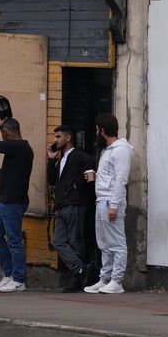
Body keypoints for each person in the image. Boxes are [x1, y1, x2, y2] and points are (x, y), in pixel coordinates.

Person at [83, 113, 133, 294]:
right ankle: (105, 278)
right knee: (103, 242)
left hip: (110, 202)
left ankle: (117, 281)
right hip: (102, 200)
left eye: (97, 129)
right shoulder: (108, 149)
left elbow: (121, 180)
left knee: (117, 243)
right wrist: (97, 177)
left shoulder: (120, 150)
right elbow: (112, 177)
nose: (96, 132)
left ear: (102, 130)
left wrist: (114, 205)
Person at [0, 117, 34, 293]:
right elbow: (16, 174)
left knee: (13, 241)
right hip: (4, 201)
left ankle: (18, 280)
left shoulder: (18, 146)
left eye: (2, 132)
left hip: (13, 202)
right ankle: (9, 275)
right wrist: (0, 172)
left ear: (5, 132)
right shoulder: (19, 149)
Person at [47, 125, 96, 292]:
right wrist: (51, 160)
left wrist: (76, 185)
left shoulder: (80, 156)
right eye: (55, 137)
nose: (55, 140)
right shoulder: (61, 159)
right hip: (62, 205)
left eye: (58, 136)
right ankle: (82, 269)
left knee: (76, 242)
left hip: (75, 204)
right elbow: (52, 181)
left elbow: (91, 170)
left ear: (68, 138)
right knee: (58, 242)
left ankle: (77, 281)